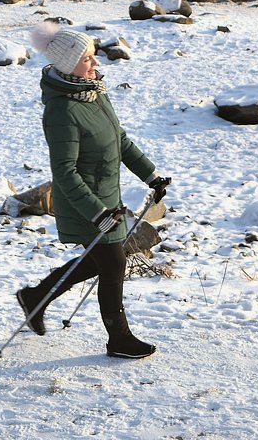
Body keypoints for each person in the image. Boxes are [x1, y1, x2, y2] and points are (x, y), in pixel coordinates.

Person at [18, 22, 169, 359]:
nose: (96, 64)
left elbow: (120, 139)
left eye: (94, 57)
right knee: (113, 264)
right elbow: (65, 172)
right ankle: (119, 339)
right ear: (68, 65)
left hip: (107, 200)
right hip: (85, 205)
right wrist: (96, 212)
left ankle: (36, 296)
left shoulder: (94, 93)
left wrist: (151, 176)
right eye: (88, 59)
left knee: (101, 261)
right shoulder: (62, 111)